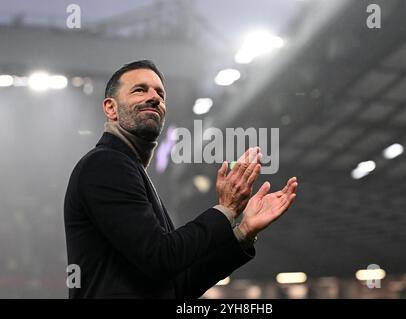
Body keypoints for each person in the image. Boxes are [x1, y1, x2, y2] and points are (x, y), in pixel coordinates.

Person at [64, 60, 298, 298]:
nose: (155, 97)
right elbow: (160, 258)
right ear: (110, 108)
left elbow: (177, 287)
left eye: (160, 93)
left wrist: (242, 233)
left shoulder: (129, 168)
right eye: (140, 89)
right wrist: (226, 209)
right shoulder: (106, 164)